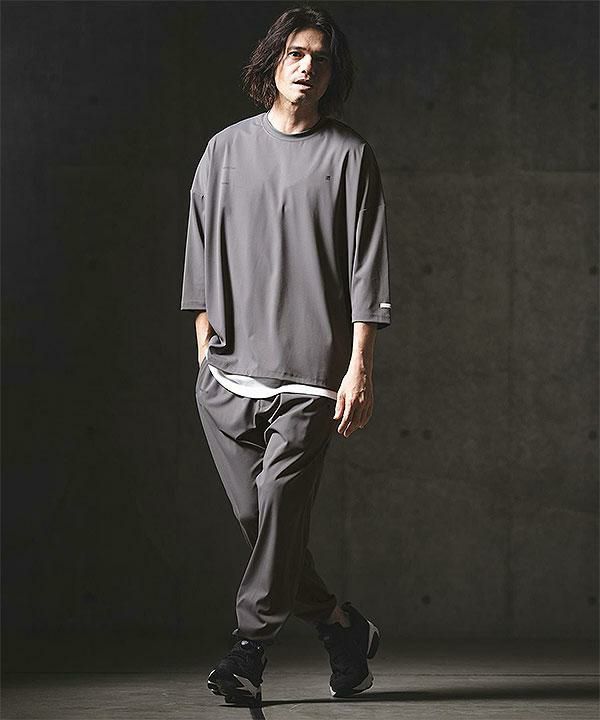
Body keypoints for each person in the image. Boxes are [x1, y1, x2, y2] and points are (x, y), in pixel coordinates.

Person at [180, 5, 391, 707]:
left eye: (321, 58)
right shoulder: (224, 149)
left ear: (334, 73)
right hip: (228, 372)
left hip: (311, 376)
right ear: (272, 61)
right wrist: (204, 338)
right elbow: (200, 247)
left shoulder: (349, 155)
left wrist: (359, 367)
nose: (307, 66)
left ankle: (249, 649)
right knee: (263, 521)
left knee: (277, 508)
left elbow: (367, 268)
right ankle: (340, 627)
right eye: (296, 53)